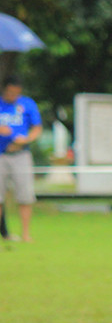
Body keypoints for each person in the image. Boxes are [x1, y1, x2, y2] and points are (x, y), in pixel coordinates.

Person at [0, 74, 43, 243]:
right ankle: (4, 233)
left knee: (25, 195)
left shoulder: (27, 104)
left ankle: (25, 233)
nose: (13, 96)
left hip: (21, 155)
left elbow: (36, 128)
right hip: (1, 155)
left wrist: (25, 139)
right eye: (10, 92)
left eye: (16, 93)